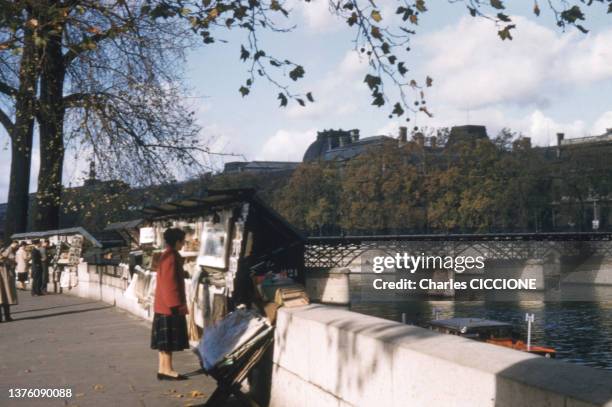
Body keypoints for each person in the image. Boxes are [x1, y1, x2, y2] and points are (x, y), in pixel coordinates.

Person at [151, 228, 190, 381]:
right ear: (177, 241)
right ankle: (168, 370)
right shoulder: (171, 256)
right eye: (182, 241)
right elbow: (169, 283)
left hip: (163, 305)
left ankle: (162, 368)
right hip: (169, 306)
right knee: (167, 340)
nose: (183, 244)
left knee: (163, 341)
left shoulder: (166, 254)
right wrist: (175, 304)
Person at [0, 242, 18, 322]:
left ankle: (7, 316)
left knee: (6, 296)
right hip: (3, 276)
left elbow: (13, 262)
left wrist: (8, 260)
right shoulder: (7, 251)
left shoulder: (7, 251)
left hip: (5, 276)